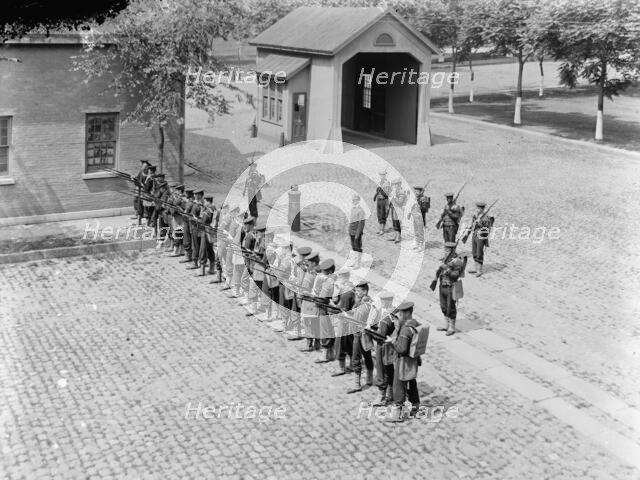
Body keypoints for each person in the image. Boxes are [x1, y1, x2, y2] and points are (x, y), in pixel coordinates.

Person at [385, 301, 421, 423]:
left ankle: (397, 414)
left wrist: (392, 341)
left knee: (398, 384)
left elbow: (402, 348)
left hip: (403, 362)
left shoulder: (405, 330)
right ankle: (416, 407)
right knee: (411, 382)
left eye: (400, 313)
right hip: (413, 360)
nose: (398, 315)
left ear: (405, 313)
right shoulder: (415, 323)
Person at [347, 280, 374, 394]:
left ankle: (357, 384)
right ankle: (369, 377)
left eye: (359, 291)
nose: (356, 293)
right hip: (360, 333)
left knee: (356, 357)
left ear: (365, 291)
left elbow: (358, 316)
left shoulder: (366, 303)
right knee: (366, 355)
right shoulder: (361, 301)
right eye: (356, 291)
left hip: (360, 334)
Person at [435, 242, 467, 336]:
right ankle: (446, 325)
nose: (445, 252)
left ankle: (452, 327)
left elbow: (455, 275)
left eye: (447, 250)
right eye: (445, 249)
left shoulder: (457, 261)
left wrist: (447, 270)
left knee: (450, 307)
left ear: (452, 251)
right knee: (443, 306)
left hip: (451, 287)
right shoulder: (446, 259)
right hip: (442, 286)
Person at [371, 291, 396, 407]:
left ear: (388, 301)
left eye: (383, 301)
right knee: (390, 369)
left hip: (383, 347)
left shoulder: (385, 318)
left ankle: (381, 396)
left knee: (381, 370)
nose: (381, 303)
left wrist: (371, 332)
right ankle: (390, 393)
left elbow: (380, 334)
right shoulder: (395, 312)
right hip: (391, 346)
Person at [329, 267, 355, 377]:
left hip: (343, 323)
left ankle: (342, 368)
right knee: (349, 344)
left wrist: (333, 305)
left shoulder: (345, 293)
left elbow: (342, 309)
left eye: (340, 277)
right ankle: (353, 364)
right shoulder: (351, 287)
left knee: (340, 345)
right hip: (350, 323)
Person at [314, 258, 336, 364]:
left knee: (325, 329)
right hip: (323, 307)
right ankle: (330, 351)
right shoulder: (327, 280)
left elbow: (326, 297)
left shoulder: (330, 282)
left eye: (325, 272)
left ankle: (326, 353)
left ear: (330, 272)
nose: (323, 273)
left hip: (325, 308)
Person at [300, 250, 320, 353]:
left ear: (313, 263)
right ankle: (317, 343)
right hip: (315, 303)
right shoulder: (319, 272)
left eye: (309, 262)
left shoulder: (310, 274)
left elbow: (304, 290)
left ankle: (309, 344)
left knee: (308, 323)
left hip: (309, 302)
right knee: (315, 323)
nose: (307, 264)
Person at [467, 201, 494, 277]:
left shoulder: (486, 218)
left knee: (479, 252)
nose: (477, 209)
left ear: (482, 209)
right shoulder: (476, 215)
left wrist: (479, 223)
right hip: (475, 234)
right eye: (477, 208)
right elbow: (472, 225)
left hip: (481, 236)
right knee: (474, 251)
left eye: (479, 208)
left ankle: (479, 270)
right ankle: (476, 268)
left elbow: (487, 229)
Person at [196, 195, 217, 277]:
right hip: (211, 232)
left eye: (204, 201)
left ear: (207, 201)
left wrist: (197, 219)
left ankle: (202, 270)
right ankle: (211, 268)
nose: (203, 202)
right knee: (209, 249)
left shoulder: (208, 210)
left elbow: (203, 221)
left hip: (205, 231)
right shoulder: (214, 209)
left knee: (203, 249)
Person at [407, 185, 430, 251]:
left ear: (421, 191)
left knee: (420, 231)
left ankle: (421, 245)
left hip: (420, 217)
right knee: (416, 231)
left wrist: (418, 203)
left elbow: (424, 209)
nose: (416, 192)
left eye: (418, 191)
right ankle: (417, 243)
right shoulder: (415, 198)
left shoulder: (423, 198)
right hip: (415, 216)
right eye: (415, 191)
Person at [346, 194, 365, 268]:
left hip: (357, 232)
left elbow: (361, 224)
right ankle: (354, 261)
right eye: (353, 200)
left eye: (355, 200)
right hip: (351, 231)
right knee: (353, 247)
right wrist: (349, 230)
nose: (353, 201)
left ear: (358, 201)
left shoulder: (361, 211)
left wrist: (358, 234)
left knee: (358, 247)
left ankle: (358, 264)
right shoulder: (353, 209)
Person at [187, 190, 204, 269]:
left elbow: (197, 216)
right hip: (196, 226)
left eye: (196, 194)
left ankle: (195, 262)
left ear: (200, 195)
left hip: (196, 227)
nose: (195, 196)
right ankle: (199, 261)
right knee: (199, 244)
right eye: (194, 194)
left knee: (196, 244)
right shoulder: (199, 204)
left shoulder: (199, 205)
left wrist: (192, 218)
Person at [388, 178, 407, 244]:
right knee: (394, 222)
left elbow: (400, 202)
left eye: (396, 184)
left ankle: (398, 236)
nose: (395, 186)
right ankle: (396, 235)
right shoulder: (395, 192)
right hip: (394, 209)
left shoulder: (401, 192)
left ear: (400, 184)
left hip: (399, 210)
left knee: (397, 223)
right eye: (393, 184)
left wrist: (394, 197)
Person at [179, 189, 195, 263]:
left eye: (186, 193)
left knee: (187, 239)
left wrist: (180, 210)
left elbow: (185, 214)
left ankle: (188, 256)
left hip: (188, 223)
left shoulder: (190, 203)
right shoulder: (191, 202)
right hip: (189, 223)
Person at [373, 170, 390, 234]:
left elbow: (388, 193)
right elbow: (377, 191)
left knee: (383, 214)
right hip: (379, 200)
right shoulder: (378, 182)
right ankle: (380, 228)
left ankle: (382, 229)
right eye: (381, 175)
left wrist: (383, 194)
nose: (382, 176)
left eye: (383, 175)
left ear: (385, 175)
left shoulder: (387, 183)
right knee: (379, 214)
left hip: (384, 200)